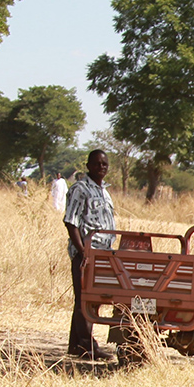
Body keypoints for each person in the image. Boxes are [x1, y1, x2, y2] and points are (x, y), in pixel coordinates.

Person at [64, 150, 116, 360]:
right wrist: (83, 250)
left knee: (90, 299)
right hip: (87, 254)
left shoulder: (104, 191)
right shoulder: (80, 189)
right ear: (88, 165)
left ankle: (76, 344)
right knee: (86, 298)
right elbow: (71, 221)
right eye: (97, 164)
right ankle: (87, 345)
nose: (101, 167)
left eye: (104, 164)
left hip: (103, 254)